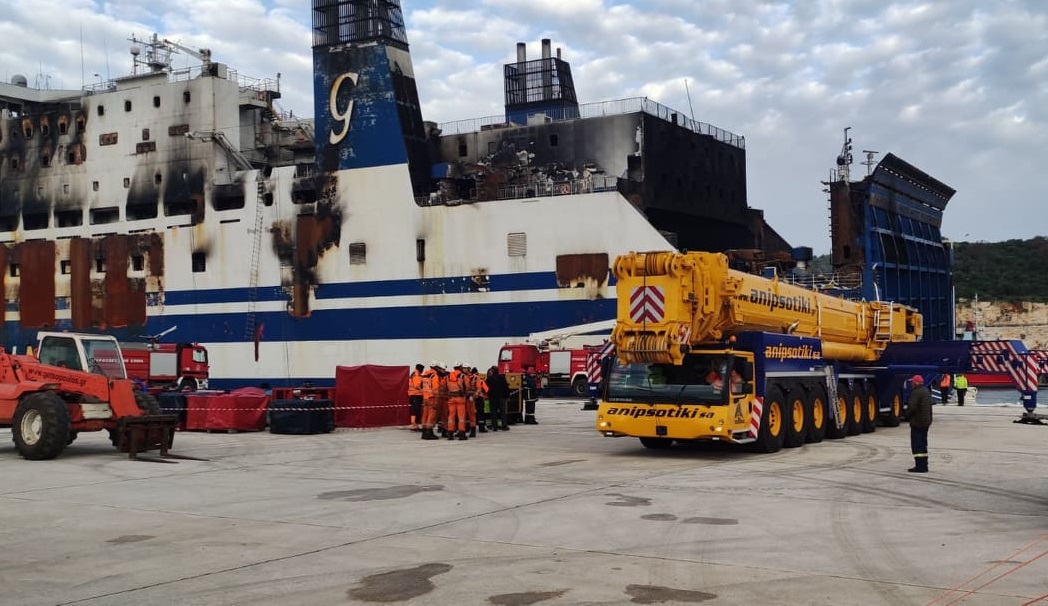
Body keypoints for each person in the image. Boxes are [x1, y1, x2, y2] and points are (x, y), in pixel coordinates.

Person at [907, 374, 933, 473]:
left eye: (912, 382)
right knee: (923, 444)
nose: (911, 384)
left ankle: (920, 467)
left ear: (915, 383)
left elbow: (912, 407)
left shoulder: (916, 392)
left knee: (917, 445)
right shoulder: (926, 391)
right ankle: (924, 465)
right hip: (926, 423)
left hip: (917, 422)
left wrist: (906, 415)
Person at [446, 362, 469, 440]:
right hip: (460, 398)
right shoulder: (463, 376)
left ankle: (450, 434)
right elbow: (467, 387)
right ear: (460, 368)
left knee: (451, 416)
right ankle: (461, 434)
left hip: (451, 399)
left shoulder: (448, 376)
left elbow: (444, 387)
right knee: (461, 417)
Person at [419, 361, 441, 440]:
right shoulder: (434, 376)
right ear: (436, 367)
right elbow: (435, 389)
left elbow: (420, 386)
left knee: (425, 415)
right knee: (431, 416)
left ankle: (424, 432)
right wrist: (436, 400)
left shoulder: (425, 375)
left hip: (425, 398)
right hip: (432, 398)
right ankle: (429, 433)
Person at [486, 365, 510, 431]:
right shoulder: (502, 377)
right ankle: (504, 426)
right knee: (503, 412)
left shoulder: (489, 379)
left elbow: (486, 389)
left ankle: (495, 427)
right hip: (502, 398)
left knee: (493, 412)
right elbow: (506, 387)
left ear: (492, 371)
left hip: (493, 398)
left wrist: (488, 395)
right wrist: (507, 396)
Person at [407, 364, 425, 431]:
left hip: (414, 395)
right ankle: (414, 425)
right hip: (416, 395)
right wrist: (424, 390)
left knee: (414, 410)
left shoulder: (414, 374)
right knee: (416, 411)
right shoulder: (416, 375)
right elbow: (417, 385)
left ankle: (414, 425)